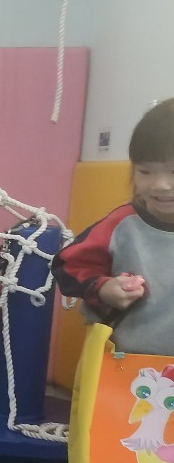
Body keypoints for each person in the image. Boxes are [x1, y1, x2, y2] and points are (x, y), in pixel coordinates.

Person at [53, 97, 174, 357]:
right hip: (129, 365)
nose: (160, 185)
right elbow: (67, 266)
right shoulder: (123, 225)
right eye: (145, 172)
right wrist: (103, 288)